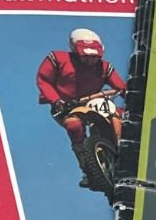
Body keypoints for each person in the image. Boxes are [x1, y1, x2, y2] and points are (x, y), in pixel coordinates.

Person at [36, 27, 126, 188]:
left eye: (94, 56)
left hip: (94, 101)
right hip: (65, 106)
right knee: (73, 125)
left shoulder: (104, 67)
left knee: (119, 114)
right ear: (75, 51)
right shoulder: (57, 59)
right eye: (86, 56)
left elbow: (121, 86)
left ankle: (124, 147)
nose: (91, 60)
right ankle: (87, 168)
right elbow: (44, 80)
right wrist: (56, 101)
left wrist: (133, 97)